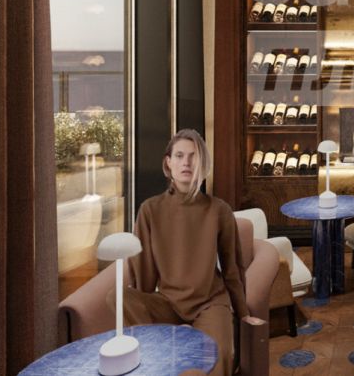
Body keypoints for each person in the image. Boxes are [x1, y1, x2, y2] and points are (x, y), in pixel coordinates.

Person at [112, 129, 264, 376]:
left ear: (203, 164)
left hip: (210, 303)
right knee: (117, 297)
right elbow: (145, 279)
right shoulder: (149, 210)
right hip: (168, 303)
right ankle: (168, 339)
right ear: (168, 163)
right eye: (180, 155)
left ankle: (178, 339)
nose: (186, 162)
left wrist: (243, 314)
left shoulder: (219, 210)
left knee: (219, 355)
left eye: (194, 156)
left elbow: (232, 269)